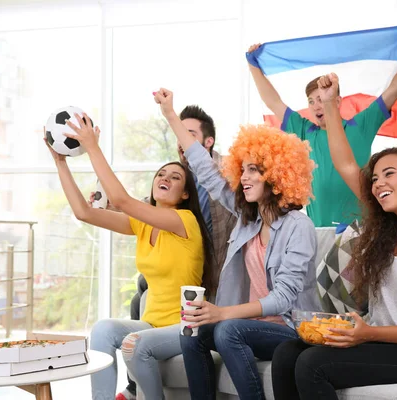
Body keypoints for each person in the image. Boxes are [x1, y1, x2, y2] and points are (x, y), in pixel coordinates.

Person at [271, 72, 397, 399]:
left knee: (312, 364)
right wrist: (331, 104)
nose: (378, 183)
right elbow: (346, 163)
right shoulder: (384, 234)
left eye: (389, 174)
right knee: (286, 353)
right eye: (376, 178)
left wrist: (369, 333)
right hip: (379, 341)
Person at [153, 87, 321, 400]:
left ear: (276, 175)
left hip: (290, 328)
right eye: (242, 170)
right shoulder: (248, 218)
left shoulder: (299, 226)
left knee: (228, 329)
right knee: (191, 333)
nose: (243, 177)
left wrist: (223, 313)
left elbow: (284, 298)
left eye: (253, 170)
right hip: (250, 324)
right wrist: (170, 115)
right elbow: (206, 170)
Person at [43, 116, 214, 400]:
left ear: (185, 193)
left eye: (175, 177)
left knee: (134, 344)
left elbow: (121, 200)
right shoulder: (142, 223)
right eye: (161, 174)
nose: (165, 178)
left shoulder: (184, 220)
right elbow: (84, 213)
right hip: (151, 324)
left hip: (185, 327)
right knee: (102, 330)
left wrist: (92, 146)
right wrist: (60, 163)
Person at [247, 24, 397, 227]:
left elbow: (396, 88)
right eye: (311, 101)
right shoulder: (302, 130)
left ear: (336, 100)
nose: (317, 105)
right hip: (319, 230)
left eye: (321, 98)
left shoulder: (360, 125)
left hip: (359, 230)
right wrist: (252, 64)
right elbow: (272, 100)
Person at [122, 104, 236, 400]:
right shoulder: (178, 174)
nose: (180, 140)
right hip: (182, 262)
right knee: (141, 291)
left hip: (213, 268)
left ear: (207, 142)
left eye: (188, 134)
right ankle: (135, 385)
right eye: (178, 134)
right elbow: (152, 207)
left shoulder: (222, 173)